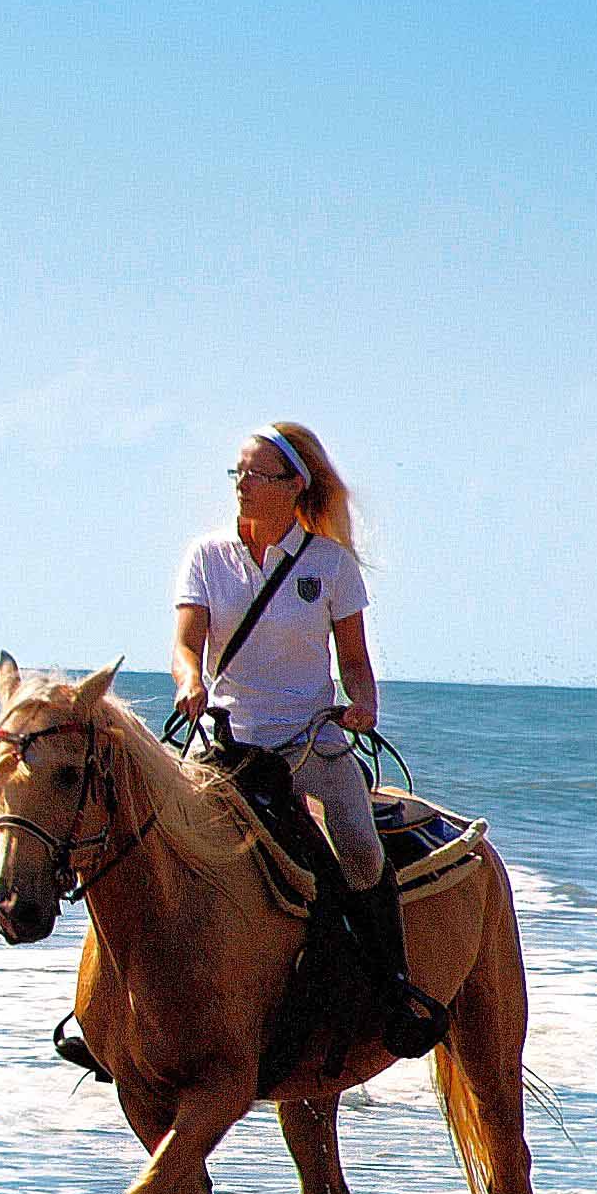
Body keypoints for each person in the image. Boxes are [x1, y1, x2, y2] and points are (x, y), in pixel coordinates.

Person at [175, 419, 446, 1055]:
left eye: (256, 475)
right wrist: (190, 681)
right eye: (237, 473)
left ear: (295, 485)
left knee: (358, 849)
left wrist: (365, 702)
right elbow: (187, 643)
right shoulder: (207, 556)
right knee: (152, 839)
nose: (242, 485)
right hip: (225, 744)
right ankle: (112, 1014)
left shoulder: (329, 565)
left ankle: (393, 991)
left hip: (308, 744)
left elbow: (354, 660)